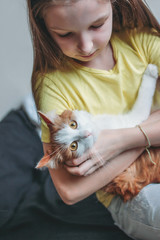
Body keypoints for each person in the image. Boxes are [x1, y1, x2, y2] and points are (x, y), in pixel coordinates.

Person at [27, 0, 160, 239]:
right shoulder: (52, 84)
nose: (86, 47)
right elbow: (69, 191)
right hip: (129, 193)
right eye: (65, 34)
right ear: (43, 26)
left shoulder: (140, 40)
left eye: (97, 25)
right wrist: (148, 133)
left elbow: (119, 139)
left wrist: (120, 141)